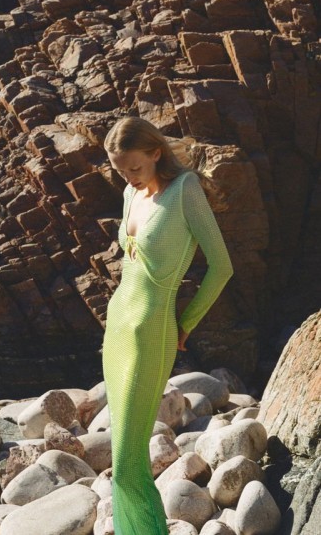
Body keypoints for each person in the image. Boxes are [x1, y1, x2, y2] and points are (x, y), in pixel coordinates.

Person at [102, 116, 233, 535]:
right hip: (117, 329)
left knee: (126, 465)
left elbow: (222, 267)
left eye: (134, 167)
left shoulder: (185, 190)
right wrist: (130, 181)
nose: (128, 177)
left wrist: (186, 323)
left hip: (152, 331)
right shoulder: (130, 192)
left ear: (156, 153)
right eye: (120, 171)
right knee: (122, 458)